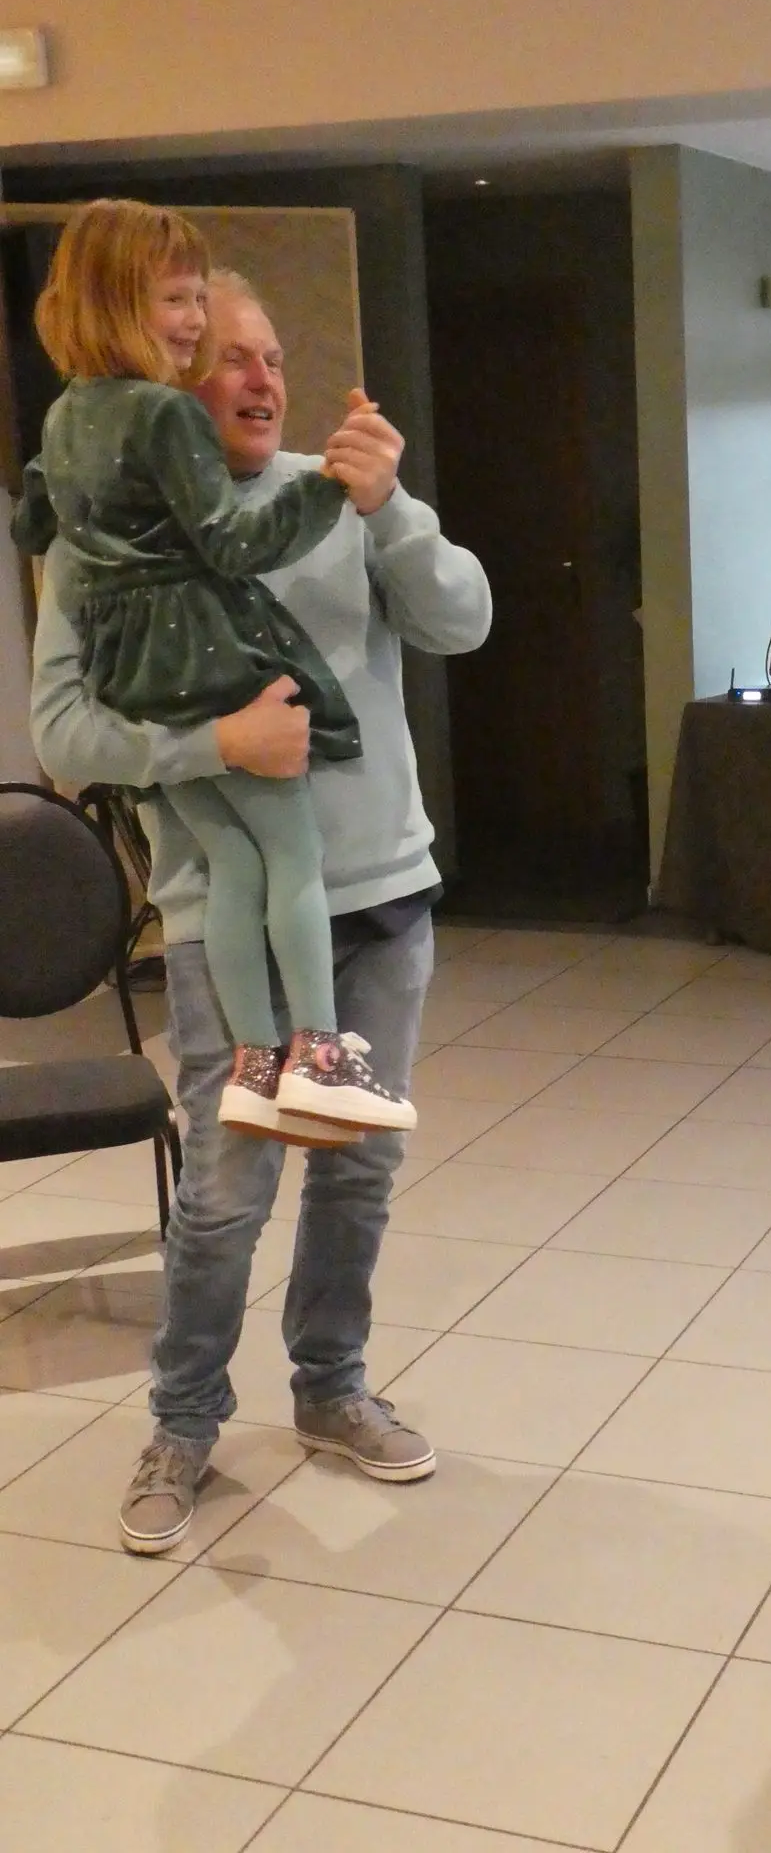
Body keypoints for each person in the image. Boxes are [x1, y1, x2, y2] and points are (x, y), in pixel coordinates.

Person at [29, 266, 492, 1555]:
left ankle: (331, 1387)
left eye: (274, 357)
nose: (262, 378)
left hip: (380, 900)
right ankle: (183, 1420)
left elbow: (462, 619)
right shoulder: (107, 531)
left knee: (357, 1170)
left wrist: (391, 505)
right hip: (219, 919)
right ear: (170, 386)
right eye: (229, 356)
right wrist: (215, 745)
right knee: (228, 1192)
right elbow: (62, 732)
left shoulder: (334, 499)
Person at [13, 199, 415, 1146]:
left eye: (198, 298)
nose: (194, 320)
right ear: (119, 301)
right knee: (293, 854)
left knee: (233, 861)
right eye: (178, 299)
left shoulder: (65, 414)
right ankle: (317, 1055)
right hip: (202, 658)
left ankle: (254, 1064)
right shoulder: (161, 413)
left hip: (133, 672)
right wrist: (330, 487)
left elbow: (34, 521)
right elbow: (233, 544)